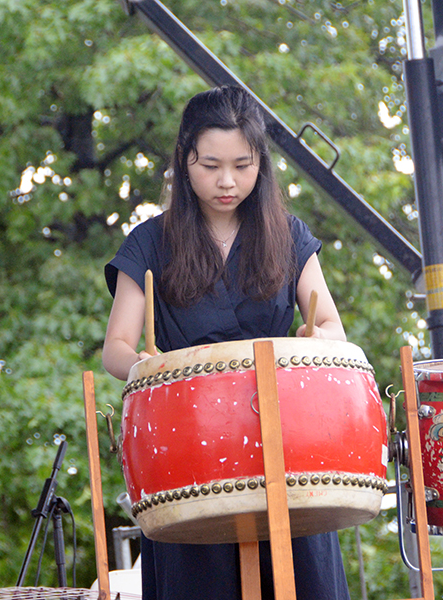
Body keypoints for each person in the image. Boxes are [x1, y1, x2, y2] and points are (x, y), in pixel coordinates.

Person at [103, 85, 350, 600]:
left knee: (300, 579)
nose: (226, 181)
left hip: (285, 448)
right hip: (191, 453)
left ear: (260, 162)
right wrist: (147, 366)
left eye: (242, 164)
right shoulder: (151, 241)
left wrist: (313, 336)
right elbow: (117, 348)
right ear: (184, 160)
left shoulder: (288, 234)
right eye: (210, 164)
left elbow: (329, 324)